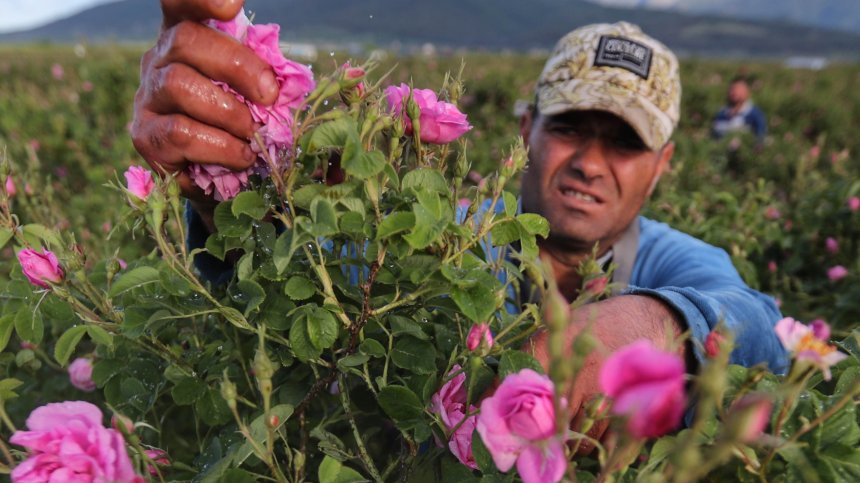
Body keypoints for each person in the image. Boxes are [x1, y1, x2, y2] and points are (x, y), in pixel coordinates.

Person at [130, 1, 787, 443]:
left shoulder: (677, 262)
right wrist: (230, 191)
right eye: (569, 129)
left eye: (623, 143)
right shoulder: (446, 238)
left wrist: (648, 324)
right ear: (527, 130)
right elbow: (298, 281)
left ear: (663, 165)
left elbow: (753, 324)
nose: (590, 162)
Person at [711, 75, 767, 144]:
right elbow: (713, 135)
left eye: (739, 89)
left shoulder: (755, 114)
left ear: (748, 92)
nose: (735, 92)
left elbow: (760, 137)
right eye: (732, 89)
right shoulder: (721, 113)